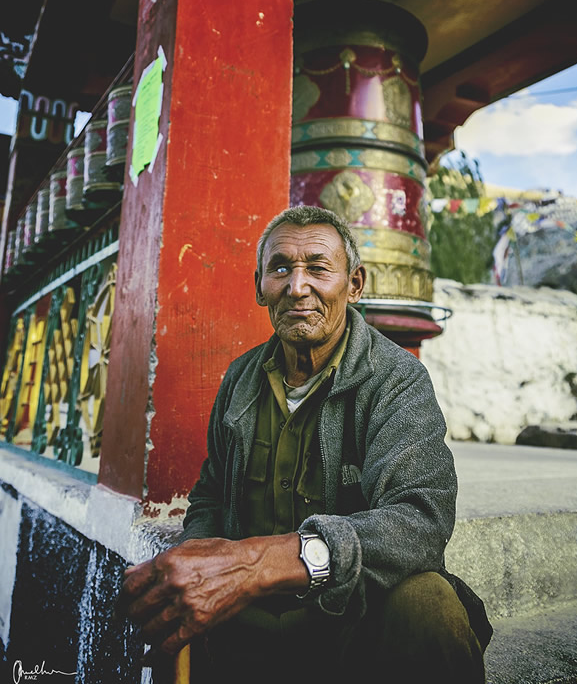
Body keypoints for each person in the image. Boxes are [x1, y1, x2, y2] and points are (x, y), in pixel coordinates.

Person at [121, 205, 491, 682]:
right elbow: (210, 493)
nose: (298, 288)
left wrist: (258, 563)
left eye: (318, 268)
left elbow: (420, 519)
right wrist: (201, 562)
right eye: (280, 269)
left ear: (354, 284)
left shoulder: (396, 379)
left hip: (351, 619)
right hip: (247, 623)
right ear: (260, 287)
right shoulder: (240, 378)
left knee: (428, 602)